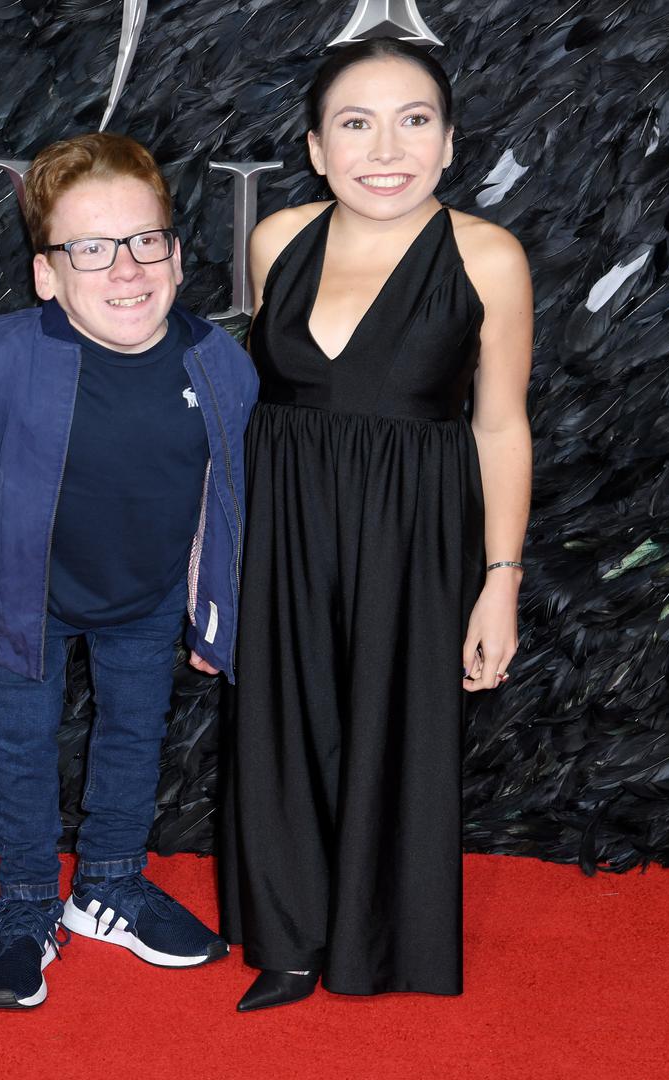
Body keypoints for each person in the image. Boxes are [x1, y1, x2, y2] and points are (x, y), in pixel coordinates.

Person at [220, 38, 534, 1011]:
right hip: (283, 525)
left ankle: (375, 940)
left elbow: (499, 424)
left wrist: (500, 581)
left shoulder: (487, 256)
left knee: (396, 731)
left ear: (448, 143)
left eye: (414, 121)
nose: (385, 149)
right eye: (355, 124)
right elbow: (254, 404)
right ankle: (287, 940)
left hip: (414, 535)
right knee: (281, 725)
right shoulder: (275, 241)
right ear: (317, 148)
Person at [0, 133, 259, 1008]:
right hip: (20, 597)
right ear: (46, 274)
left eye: (145, 240)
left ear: (175, 255)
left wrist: (215, 606)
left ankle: (108, 883)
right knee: (22, 748)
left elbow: (229, 497)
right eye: (91, 249)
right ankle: (27, 902)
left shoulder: (221, 364)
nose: (126, 268)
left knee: (134, 737)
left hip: (146, 597)